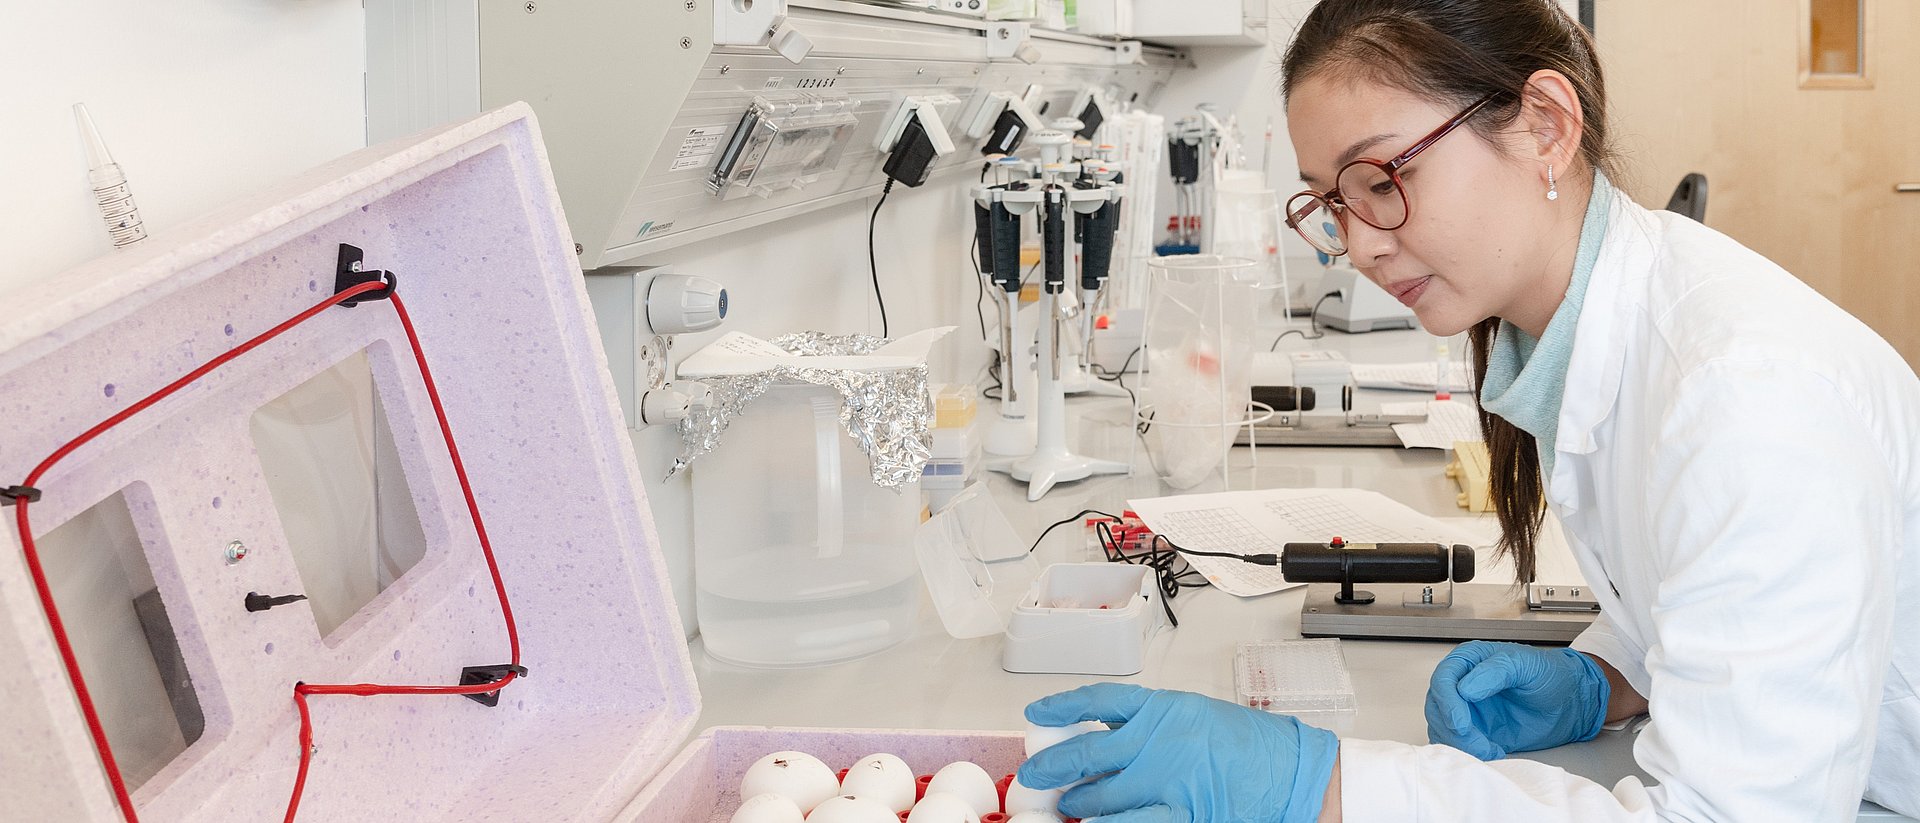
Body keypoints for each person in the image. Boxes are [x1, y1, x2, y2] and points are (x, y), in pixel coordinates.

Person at [1015, 0, 1920, 820]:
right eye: (1333, 202)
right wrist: (1606, 674)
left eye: (1381, 180)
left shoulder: (1746, 394)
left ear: (1545, 128)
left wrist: (1316, 785)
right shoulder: (1571, 329)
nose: (1358, 244)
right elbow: (1698, 581)